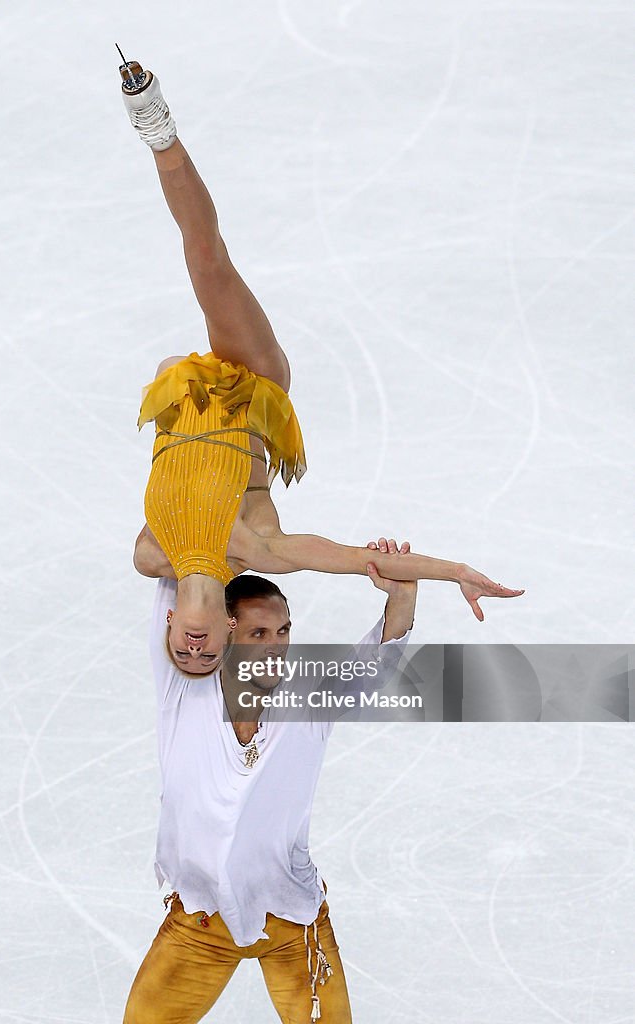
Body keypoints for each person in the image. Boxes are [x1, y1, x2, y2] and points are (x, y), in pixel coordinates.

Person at [119, 56, 524, 675]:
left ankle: (159, 138)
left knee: (201, 269)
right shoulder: (260, 549)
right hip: (249, 382)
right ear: (230, 630)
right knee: (206, 260)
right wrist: (455, 572)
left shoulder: (150, 556)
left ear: (170, 623)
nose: (194, 649)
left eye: (184, 651)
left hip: (183, 393)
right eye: (208, 655)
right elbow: (358, 557)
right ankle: (160, 133)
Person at [124, 537, 418, 1024]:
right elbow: (157, 554)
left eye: (283, 631)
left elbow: (374, 668)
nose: (277, 645)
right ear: (224, 632)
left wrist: (401, 594)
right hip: (200, 921)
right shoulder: (183, 685)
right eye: (260, 633)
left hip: (290, 921)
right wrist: (228, 537)